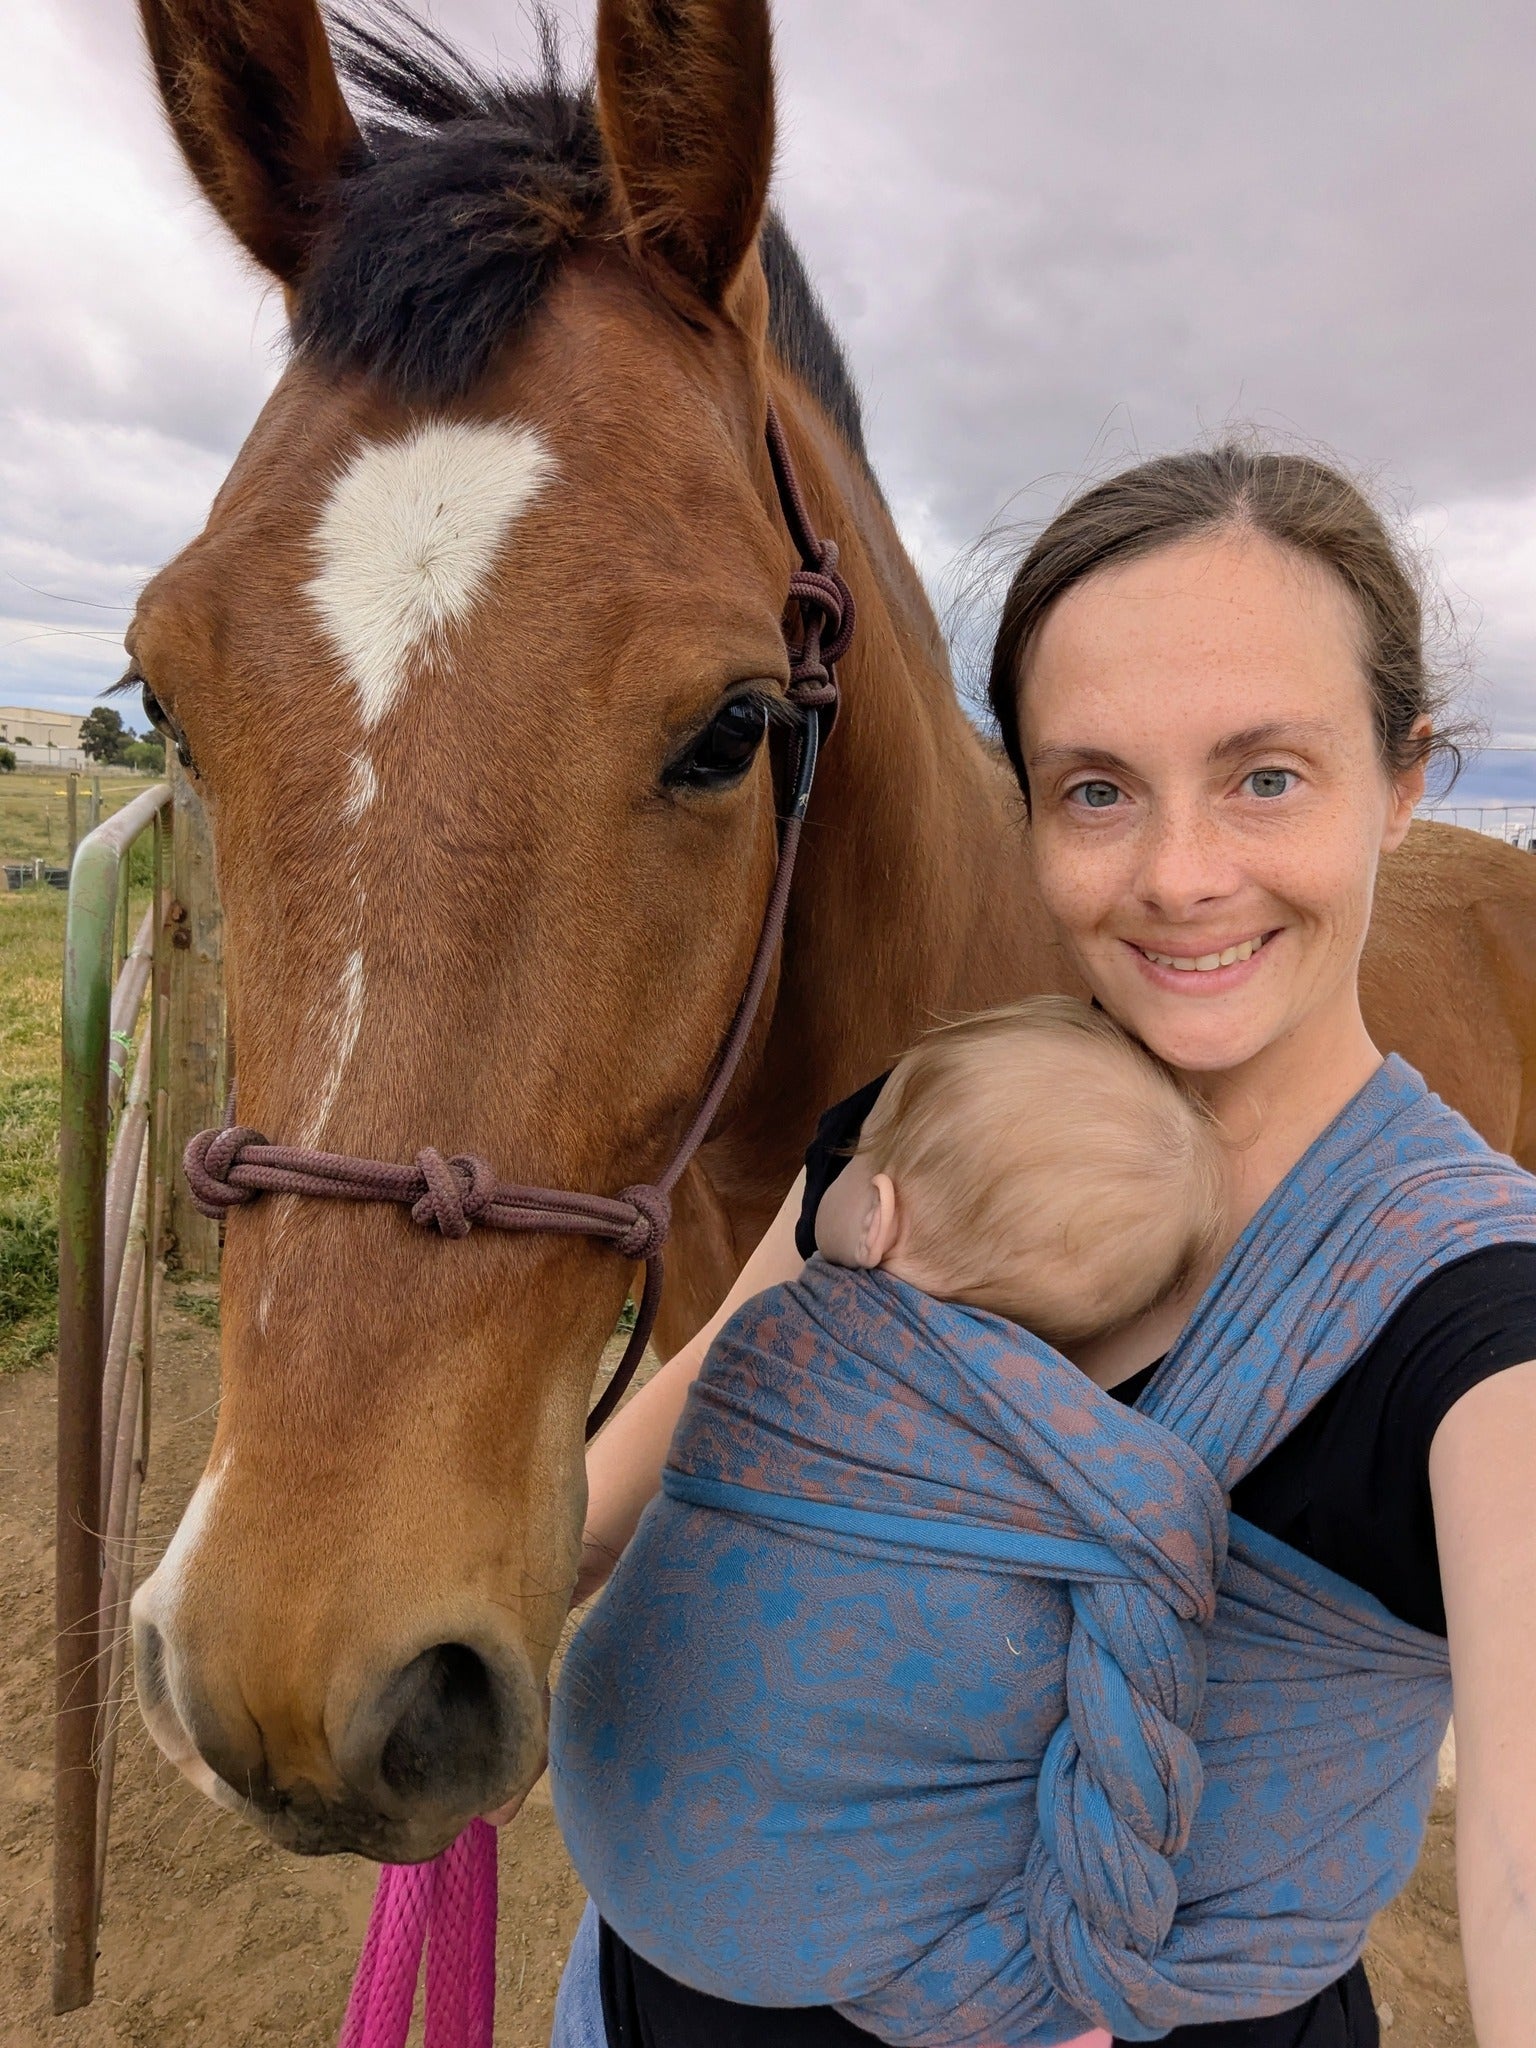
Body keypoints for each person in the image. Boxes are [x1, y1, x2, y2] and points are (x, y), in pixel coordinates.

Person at [544, 444, 1536, 2048]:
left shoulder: (1482, 1322)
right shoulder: (923, 1124)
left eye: (1266, 776)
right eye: (1096, 789)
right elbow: (613, 1516)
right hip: (633, 2004)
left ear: (1407, 780)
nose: (1178, 876)